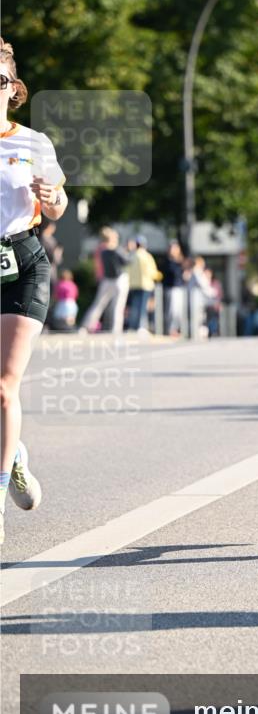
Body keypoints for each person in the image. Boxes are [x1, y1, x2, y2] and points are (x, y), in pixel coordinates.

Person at [0, 37, 68, 545]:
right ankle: (15, 451)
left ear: (13, 88)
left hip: (22, 262)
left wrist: (54, 196)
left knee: (4, 384)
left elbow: (60, 203)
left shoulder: (32, 143)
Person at [79, 227, 131, 335]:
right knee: (118, 306)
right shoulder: (117, 250)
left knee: (98, 304)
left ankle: (87, 326)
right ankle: (116, 330)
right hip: (118, 279)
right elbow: (126, 261)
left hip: (106, 279)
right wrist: (128, 250)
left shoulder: (101, 250)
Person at [126, 234, 162, 332]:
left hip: (133, 285)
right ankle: (140, 327)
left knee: (134, 306)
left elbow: (127, 271)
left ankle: (132, 326)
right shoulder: (147, 256)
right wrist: (159, 276)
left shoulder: (131, 256)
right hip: (145, 285)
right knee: (142, 307)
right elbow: (152, 272)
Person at [162, 239, 185, 336]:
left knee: (179, 311)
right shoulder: (168, 262)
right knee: (171, 311)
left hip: (179, 288)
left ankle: (177, 329)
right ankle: (170, 329)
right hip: (171, 288)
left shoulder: (180, 262)